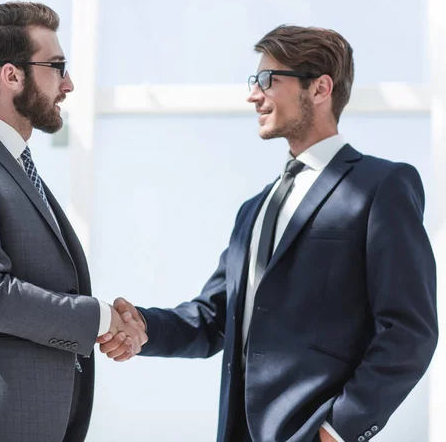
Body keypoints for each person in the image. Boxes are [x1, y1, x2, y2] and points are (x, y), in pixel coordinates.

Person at [104, 25, 438, 442]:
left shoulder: (380, 186)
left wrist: (338, 429)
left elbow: (410, 329)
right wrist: (140, 328)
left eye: (268, 80)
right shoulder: (253, 210)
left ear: (319, 88)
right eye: (254, 81)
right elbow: (212, 320)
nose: (253, 95)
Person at [0, 2, 146, 442]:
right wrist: (98, 318)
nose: (69, 83)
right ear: (11, 76)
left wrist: (108, 322)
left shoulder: (13, 167)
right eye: (57, 67)